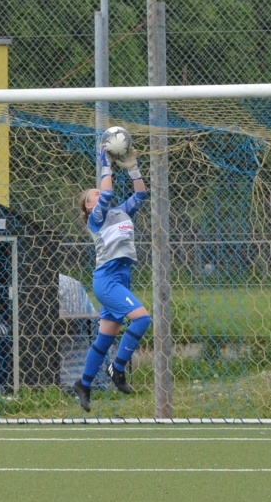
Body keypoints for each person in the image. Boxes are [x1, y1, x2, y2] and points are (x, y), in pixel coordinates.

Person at [70, 133, 151, 413]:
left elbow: (140, 195)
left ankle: (83, 383)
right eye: (93, 194)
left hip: (122, 277)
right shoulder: (97, 218)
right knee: (142, 319)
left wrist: (133, 168)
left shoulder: (121, 211)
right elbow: (106, 194)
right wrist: (104, 161)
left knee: (104, 339)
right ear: (89, 206)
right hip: (106, 280)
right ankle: (118, 369)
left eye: (98, 190)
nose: (99, 193)